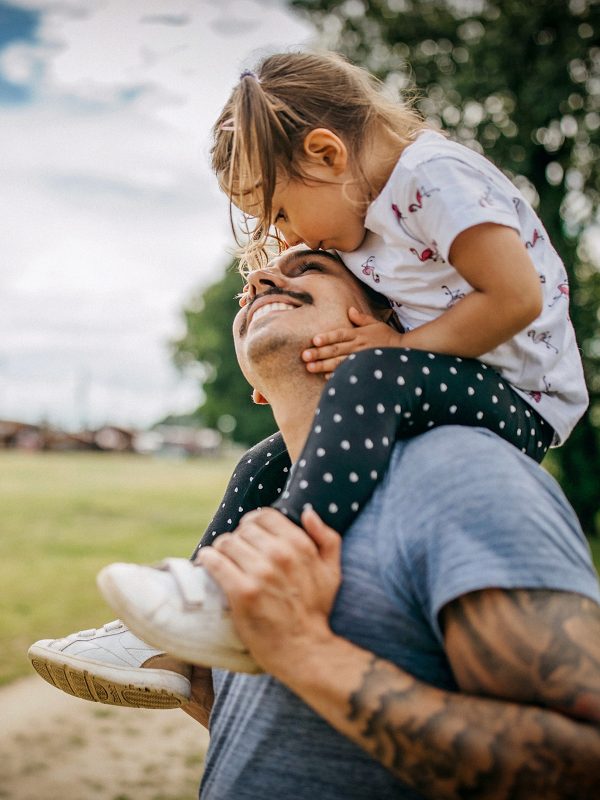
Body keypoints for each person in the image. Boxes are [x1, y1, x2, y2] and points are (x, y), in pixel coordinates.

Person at [99, 248, 600, 799]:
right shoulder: (264, 507)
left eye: (310, 268)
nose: (261, 278)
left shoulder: (462, 473)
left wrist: (305, 652)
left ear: (387, 325)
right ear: (255, 387)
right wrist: (206, 682)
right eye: (248, 293)